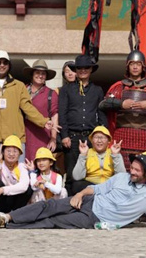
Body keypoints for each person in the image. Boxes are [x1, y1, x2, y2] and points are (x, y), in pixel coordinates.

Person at [0, 153, 146, 230]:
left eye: (137, 170)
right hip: (89, 200)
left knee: (55, 221)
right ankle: (7, 217)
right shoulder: (121, 177)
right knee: (50, 205)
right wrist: (79, 195)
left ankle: (8, 226)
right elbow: (96, 189)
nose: (132, 171)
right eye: (132, 167)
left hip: (95, 218)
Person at [99, 50, 146, 163]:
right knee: (121, 167)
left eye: (138, 64)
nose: (135, 67)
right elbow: (103, 104)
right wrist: (121, 104)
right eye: (132, 64)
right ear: (127, 66)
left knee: (145, 167)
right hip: (122, 135)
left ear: (143, 67)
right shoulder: (119, 87)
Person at [58, 54, 106, 191]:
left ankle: (87, 201)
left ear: (91, 70)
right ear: (76, 70)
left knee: (91, 173)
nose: (83, 70)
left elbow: (101, 114)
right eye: (79, 68)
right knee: (71, 174)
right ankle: (69, 202)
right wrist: (64, 135)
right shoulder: (66, 90)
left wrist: (103, 135)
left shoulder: (97, 90)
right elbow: (62, 113)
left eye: (86, 68)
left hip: (91, 138)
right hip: (72, 138)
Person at [70, 126, 125, 195]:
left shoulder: (113, 152)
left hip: (109, 185)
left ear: (108, 141)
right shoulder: (87, 152)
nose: (99, 141)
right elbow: (77, 177)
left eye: (103, 138)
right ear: (92, 140)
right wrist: (83, 155)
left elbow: (122, 176)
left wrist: (115, 155)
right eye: (96, 137)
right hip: (90, 185)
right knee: (76, 185)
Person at [23, 59, 60, 160]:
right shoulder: (23, 90)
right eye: (37, 72)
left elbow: (54, 115)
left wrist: (53, 138)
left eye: (43, 73)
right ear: (32, 74)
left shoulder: (51, 93)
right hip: (23, 135)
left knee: (39, 163)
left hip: (41, 136)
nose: (40, 76)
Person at [0, 135, 33, 214]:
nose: (11, 154)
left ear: (19, 154)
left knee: (29, 189)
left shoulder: (22, 166)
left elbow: (24, 186)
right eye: (8, 151)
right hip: (1, 201)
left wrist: (2, 190)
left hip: (14, 201)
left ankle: (14, 213)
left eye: (15, 151)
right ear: (3, 152)